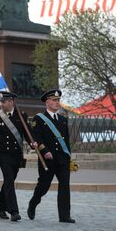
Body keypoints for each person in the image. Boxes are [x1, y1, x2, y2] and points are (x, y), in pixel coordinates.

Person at [28, 89, 75, 223]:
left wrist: (68, 157)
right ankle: (33, 203)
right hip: (47, 159)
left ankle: (64, 215)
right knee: (44, 186)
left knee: (65, 186)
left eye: (58, 100)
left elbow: (66, 141)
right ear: (47, 102)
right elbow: (36, 137)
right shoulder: (39, 119)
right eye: (54, 100)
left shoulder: (63, 120)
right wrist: (44, 151)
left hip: (62, 159)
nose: (57, 103)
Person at [0, 91, 32, 221]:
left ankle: (0, 207)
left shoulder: (21, 116)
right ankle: (14, 211)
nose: (2, 104)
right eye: (1, 102)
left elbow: (27, 134)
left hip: (17, 155)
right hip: (3, 155)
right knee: (9, 180)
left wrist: (33, 143)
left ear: (11, 102)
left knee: (8, 181)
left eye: (4, 102)